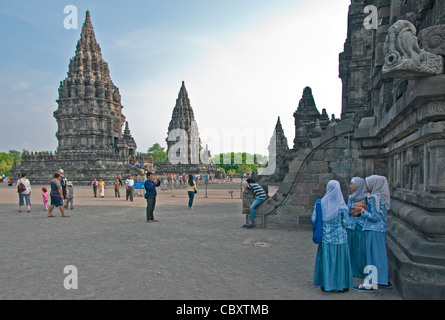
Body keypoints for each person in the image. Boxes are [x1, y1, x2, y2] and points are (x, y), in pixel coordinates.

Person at [312, 180, 353, 292]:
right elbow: (346, 223)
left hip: (326, 238)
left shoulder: (319, 204)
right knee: (340, 262)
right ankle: (341, 285)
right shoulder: (342, 207)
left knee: (327, 262)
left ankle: (326, 284)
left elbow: (314, 218)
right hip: (340, 239)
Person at [352, 175, 392, 292]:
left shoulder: (374, 198)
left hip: (373, 230)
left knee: (371, 256)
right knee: (379, 256)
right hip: (380, 230)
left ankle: (370, 283)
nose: (366, 187)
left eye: (368, 184)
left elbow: (374, 217)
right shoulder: (382, 197)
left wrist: (362, 211)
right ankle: (383, 280)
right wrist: (367, 207)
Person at [346, 177, 368, 279]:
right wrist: (353, 210)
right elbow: (349, 210)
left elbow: (365, 211)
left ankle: (359, 269)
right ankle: (350, 269)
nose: (350, 186)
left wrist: (359, 211)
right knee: (350, 248)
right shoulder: (351, 197)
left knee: (359, 249)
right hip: (351, 225)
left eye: (352, 184)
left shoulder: (366, 198)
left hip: (360, 225)